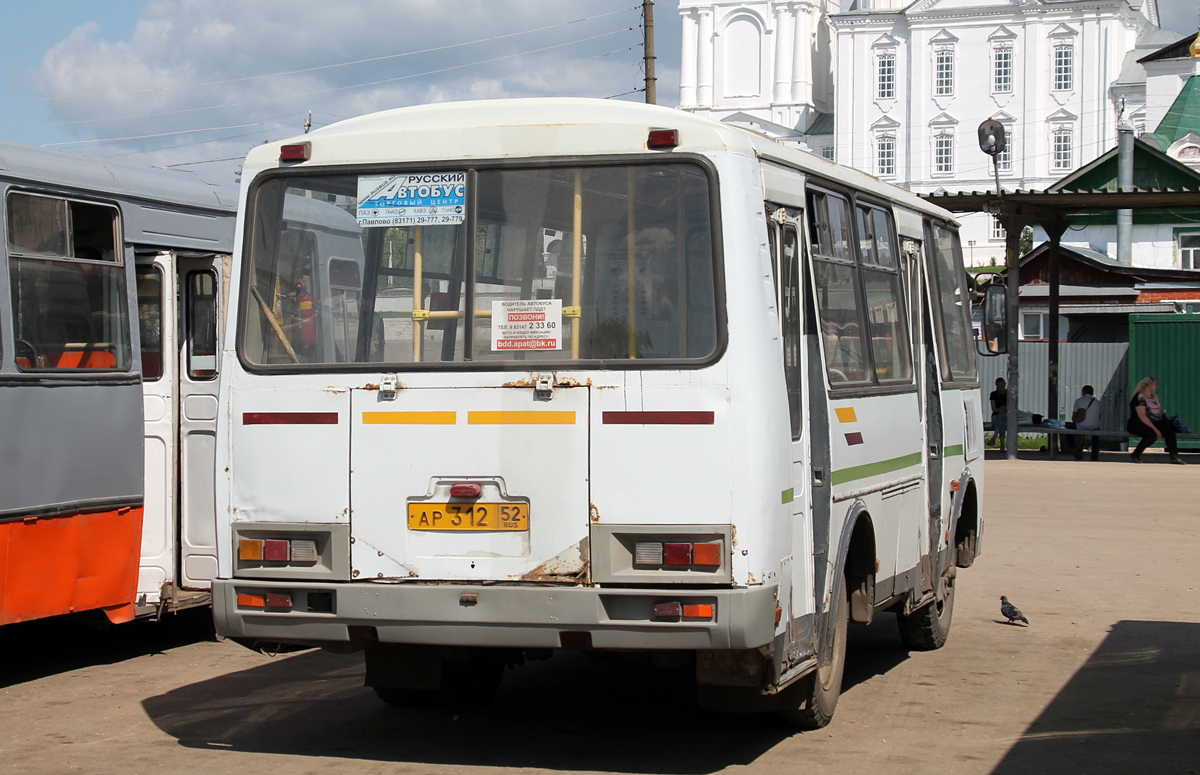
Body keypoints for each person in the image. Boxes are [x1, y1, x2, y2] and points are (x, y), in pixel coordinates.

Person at [1127, 376, 1185, 464]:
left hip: (1153, 421)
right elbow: (1142, 416)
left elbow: (1158, 410)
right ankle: (1135, 455)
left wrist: (1167, 419)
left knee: (1169, 431)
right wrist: (1156, 430)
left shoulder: (1154, 396)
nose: (1157, 386)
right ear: (1149, 385)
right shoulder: (1140, 397)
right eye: (1155, 384)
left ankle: (1174, 457)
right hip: (1138, 423)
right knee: (1151, 435)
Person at [1063, 385, 1102, 461]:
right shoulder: (1098, 403)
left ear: (1083, 392)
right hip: (1095, 426)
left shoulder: (1078, 401)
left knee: (1067, 428)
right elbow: (1099, 416)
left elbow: (1074, 417)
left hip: (1081, 425)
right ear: (1092, 393)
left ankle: (1074, 448)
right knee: (1095, 435)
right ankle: (1094, 455)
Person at [989, 377, 1009, 453]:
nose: (1001, 389)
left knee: (1002, 420)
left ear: (1005, 385)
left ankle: (994, 437)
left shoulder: (1009, 394)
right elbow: (994, 409)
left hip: (1006, 416)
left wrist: (1002, 409)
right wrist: (1001, 409)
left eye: (1002, 386)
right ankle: (1002, 445)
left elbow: (1011, 407)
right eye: (999, 387)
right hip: (996, 416)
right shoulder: (994, 394)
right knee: (1002, 421)